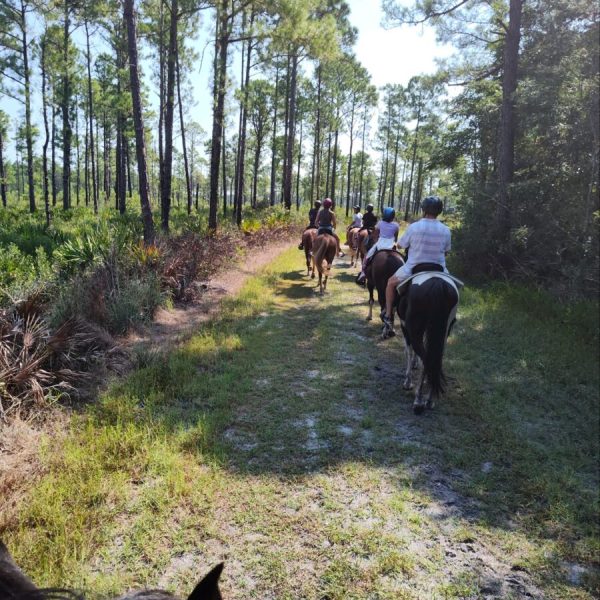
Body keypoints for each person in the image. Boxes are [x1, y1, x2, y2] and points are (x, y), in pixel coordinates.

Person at [382, 196, 451, 332]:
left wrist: (399, 245)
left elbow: (401, 245)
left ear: (424, 209)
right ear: (439, 211)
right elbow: (446, 252)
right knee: (453, 289)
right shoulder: (446, 230)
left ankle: (389, 315)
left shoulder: (414, 227)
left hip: (414, 268)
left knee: (390, 283)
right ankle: (450, 319)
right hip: (440, 269)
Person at [356, 206, 399, 285]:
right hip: (391, 245)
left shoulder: (380, 223)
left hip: (380, 244)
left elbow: (375, 234)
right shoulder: (396, 225)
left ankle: (363, 273)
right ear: (393, 216)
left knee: (367, 256)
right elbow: (396, 237)